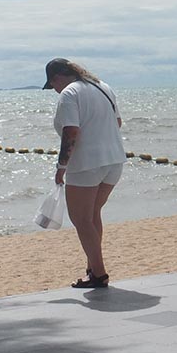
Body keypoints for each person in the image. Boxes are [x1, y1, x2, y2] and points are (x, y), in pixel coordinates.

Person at [43, 58, 126, 289]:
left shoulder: (69, 94)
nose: (54, 91)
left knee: (81, 219)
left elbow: (71, 131)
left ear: (57, 78)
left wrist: (61, 167)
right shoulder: (103, 86)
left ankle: (98, 274)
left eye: (52, 86)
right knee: (92, 215)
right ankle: (92, 268)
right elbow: (117, 122)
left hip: (87, 164)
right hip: (114, 160)